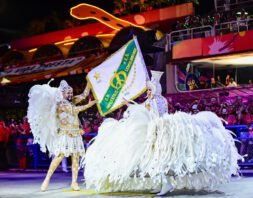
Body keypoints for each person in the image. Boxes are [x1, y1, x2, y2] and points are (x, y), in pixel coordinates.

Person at [83, 70, 241, 196]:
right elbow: (143, 107)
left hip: (160, 132)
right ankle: (162, 183)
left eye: (150, 90)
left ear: (155, 90)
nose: (148, 92)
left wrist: (141, 109)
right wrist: (129, 103)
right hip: (152, 131)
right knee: (152, 160)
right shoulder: (152, 100)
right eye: (148, 90)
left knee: (160, 159)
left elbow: (156, 114)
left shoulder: (159, 101)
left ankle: (166, 183)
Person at [27, 77, 97, 192]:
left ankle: (74, 182)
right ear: (63, 93)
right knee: (59, 157)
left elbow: (84, 95)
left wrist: (89, 82)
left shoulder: (71, 101)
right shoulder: (60, 104)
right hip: (65, 134)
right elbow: (74, 110)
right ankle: (47, 179)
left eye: (71, 92)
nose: (71, 94)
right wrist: (89, 105)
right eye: (68, 92)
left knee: (75, 158)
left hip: (76, 133)